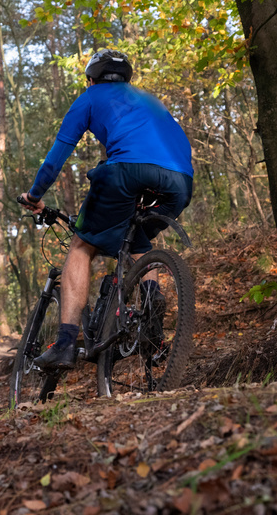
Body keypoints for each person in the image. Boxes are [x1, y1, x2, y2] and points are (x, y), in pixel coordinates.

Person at [19, 48, 194, 370]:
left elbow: (56, 158)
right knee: (139, 243)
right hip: (180, 182)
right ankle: (152, 315)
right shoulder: (150, 100)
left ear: (91, 79)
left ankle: (65, 344)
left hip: (127, 171)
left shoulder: (89, 97)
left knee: (81, 246)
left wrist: (34, 195)